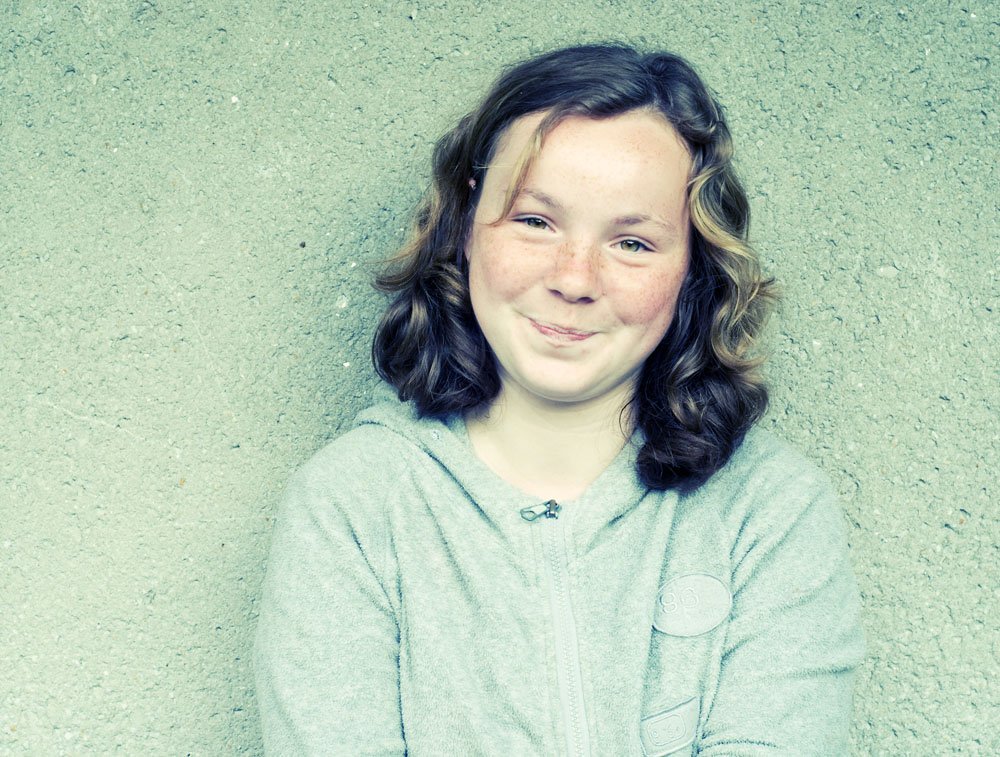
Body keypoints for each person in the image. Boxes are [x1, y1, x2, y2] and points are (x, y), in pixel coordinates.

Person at [253, 43, 865, 755]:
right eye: (534, 221)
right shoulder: (353, 504)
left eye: (632, 242)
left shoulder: (769, 510)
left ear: (692, 272)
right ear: (465, 227)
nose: (575, 279)